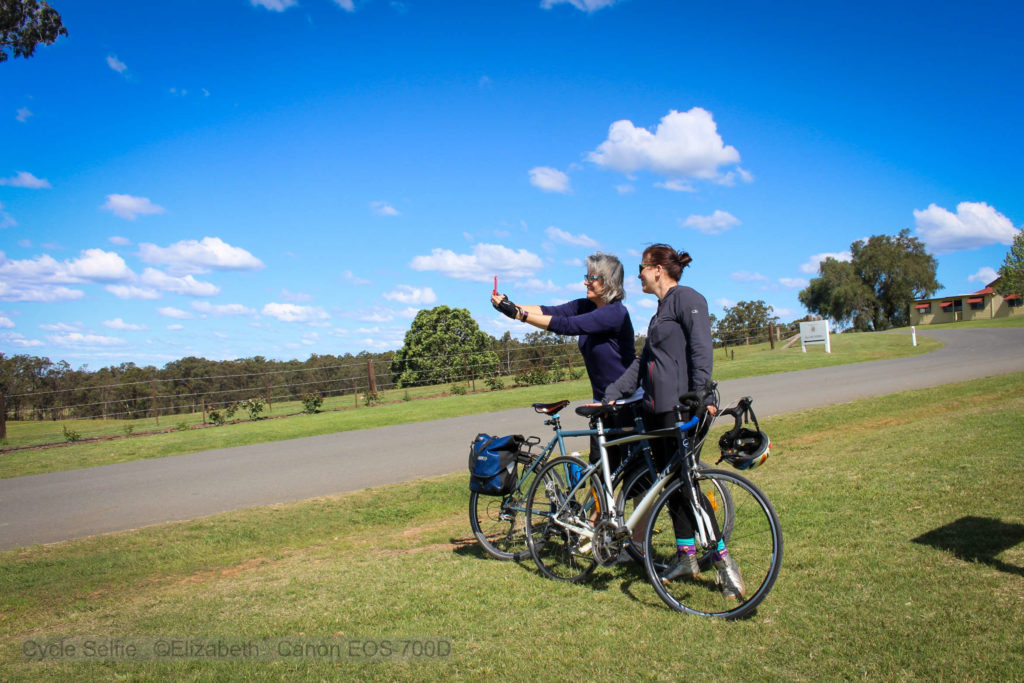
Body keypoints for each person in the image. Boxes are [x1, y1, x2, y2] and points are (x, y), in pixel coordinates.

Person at [602, 243, 744, 600]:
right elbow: (641, 364)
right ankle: (685, 556)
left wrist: (701, 394)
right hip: (654, 411)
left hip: (680, 409)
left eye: (641, 267)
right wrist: (611, 393)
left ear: (658, 270)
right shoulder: (660, 312)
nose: (637, 275)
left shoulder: (687, 299)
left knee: (688, 484)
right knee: (672, 486)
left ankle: (726, 566)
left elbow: (701, 348)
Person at [491, 252, 636, 468]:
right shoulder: (587, 305)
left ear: (609, 282)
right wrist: (510, 305)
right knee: (599, 472)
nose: (586, 282)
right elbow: (550, 311)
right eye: (586, 276)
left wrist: (519, 315)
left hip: (627, 404)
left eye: (592, 278)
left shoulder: (614, 314)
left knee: (636, 474)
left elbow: (567, 326)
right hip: (602, 404)